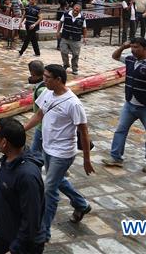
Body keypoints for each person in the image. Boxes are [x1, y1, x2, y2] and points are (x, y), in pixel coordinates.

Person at [23, 64, 95, 242]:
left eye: (48, 77)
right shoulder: (47, 93)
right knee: (57, 180)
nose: (44, 79)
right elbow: (39, 115)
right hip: (47, 147)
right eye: (44, 76)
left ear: (58, 80)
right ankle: (81, 204)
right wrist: (22, 129)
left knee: (49, 189)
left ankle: (43, 232)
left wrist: (87, 159)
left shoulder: (73, 104)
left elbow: (84, 132)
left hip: (63, 153)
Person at [100, 38, 146, 173]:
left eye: (136, 47)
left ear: (145, 49)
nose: (133, 50)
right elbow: (115, 56)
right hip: (130, 104)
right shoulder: (130, 60)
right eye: (132, 47)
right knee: (120, 130)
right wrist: (122, 47)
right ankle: (116, 157)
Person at [0, 118, 46, 254]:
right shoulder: (8, 160)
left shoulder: (27, 176)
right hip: (5, 234)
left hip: (24, 243)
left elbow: (31, 219)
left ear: (4, 142)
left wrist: (15, 249)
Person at [56, 3, 87, 76]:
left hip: (76, 39)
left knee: (75, 54)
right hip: (65, 36)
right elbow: (60, 22)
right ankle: (66, 64)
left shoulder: (82, 18)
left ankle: (75, 68)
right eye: (75, 8)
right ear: (73, 8)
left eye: (77, 9)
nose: (76, 10)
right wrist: (58, 32)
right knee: (63, 51)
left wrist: (85, 38)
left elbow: (84, 28)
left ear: (79, 11)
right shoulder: (66, 14)